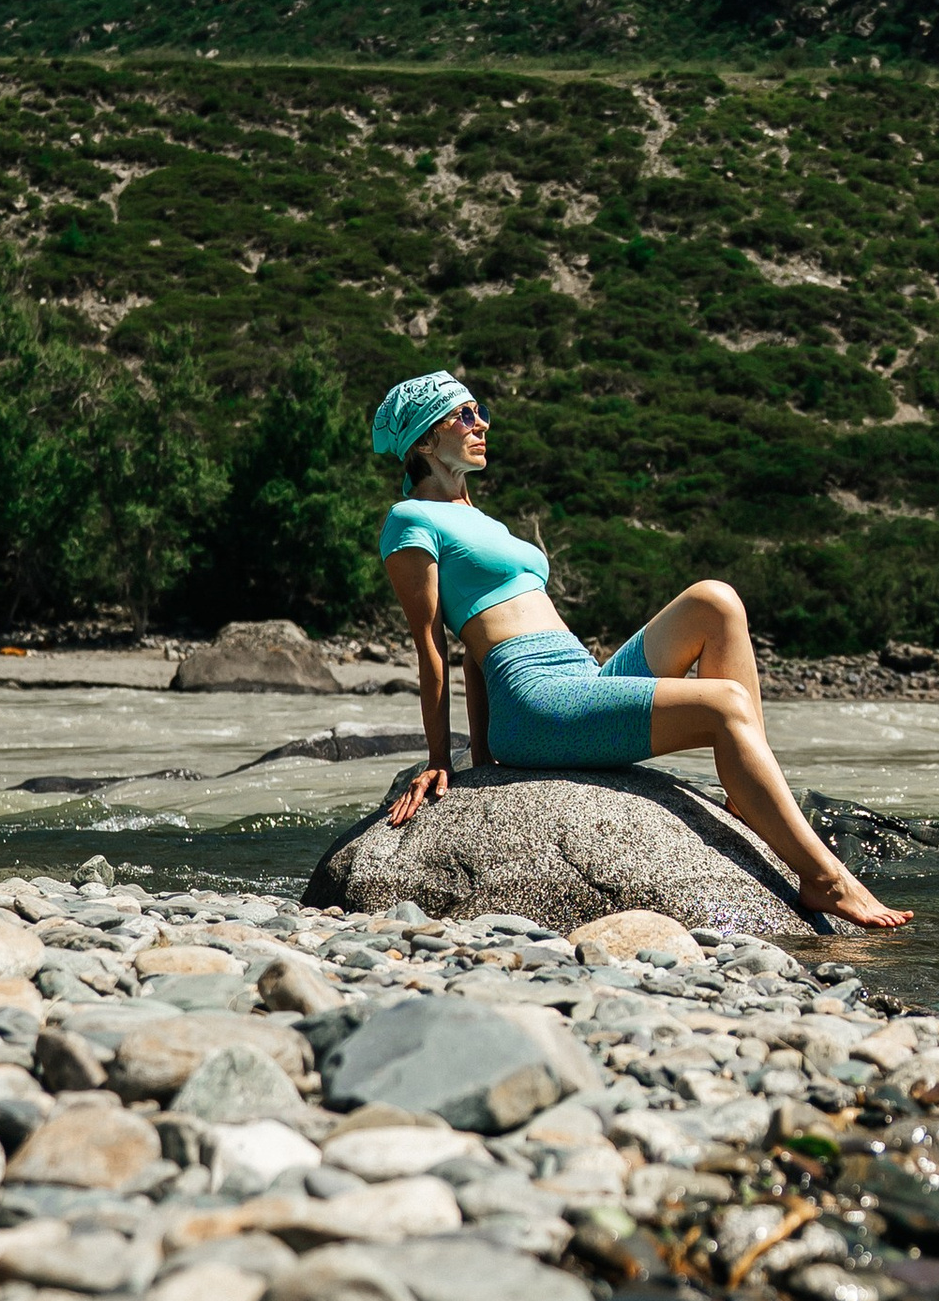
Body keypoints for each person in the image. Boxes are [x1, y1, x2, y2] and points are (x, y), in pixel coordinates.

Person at [369, 370, 909, 932]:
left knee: (715, 601)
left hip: (579, 678)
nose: (482, 423)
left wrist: (482, 757)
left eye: (479, 411)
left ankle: (749, 796)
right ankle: (825, 879)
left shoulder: (484, 521)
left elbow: (469, 655)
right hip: (536, 703)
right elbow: (434, 644)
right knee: (722, 703)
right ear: (424, 442)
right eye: (465, 415)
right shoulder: (410, 520)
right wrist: (442, 760)